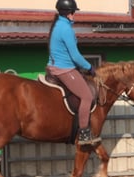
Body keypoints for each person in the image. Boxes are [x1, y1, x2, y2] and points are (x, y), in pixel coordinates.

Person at [46, 0, 101, 145]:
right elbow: (75, 56)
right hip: (64, 68)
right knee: (87, 97)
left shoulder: (58, 25)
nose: (74, 15)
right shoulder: (65, 29)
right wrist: (90, 67)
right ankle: (83, 133)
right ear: (68, 13)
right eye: (73, 12)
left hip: (56, 65)